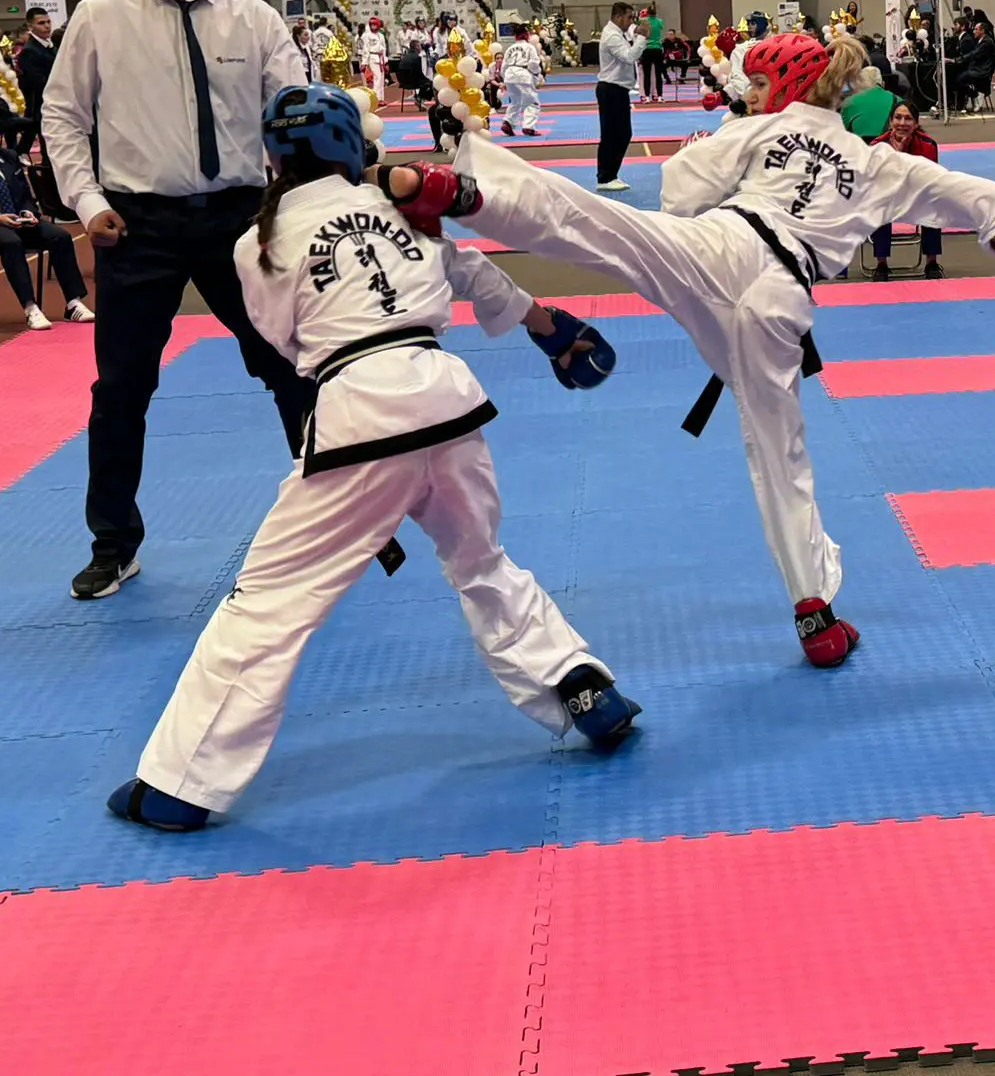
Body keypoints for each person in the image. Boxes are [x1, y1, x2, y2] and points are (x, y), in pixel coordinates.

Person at [105, 85, 640, 834]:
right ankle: (580, 684)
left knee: (268, 600)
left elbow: (284, 344)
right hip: (450, 405)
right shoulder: (400, 204)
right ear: (353, 146)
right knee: (480, 562)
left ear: (274, 160)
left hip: (360, 417)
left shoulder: (257, 243)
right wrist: (549, 328)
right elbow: (472, 272)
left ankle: (180, 783)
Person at [441, 33, 995, 667]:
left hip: (724, 247)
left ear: (791, 85)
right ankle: (814, 610)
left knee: (611, 231)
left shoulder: (764, 129)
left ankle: (470, 190)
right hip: (781, 298)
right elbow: (956, 190)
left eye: (762, 84)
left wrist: (703, 162)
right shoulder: (876, 162)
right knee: (779, 453)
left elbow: (680, 190)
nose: (754, 95)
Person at [42, 0, 394, 603]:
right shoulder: (102, 17)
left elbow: (297, 116)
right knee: (121, 389)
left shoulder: (253, 18)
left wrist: (317, 194)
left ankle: (333, 520)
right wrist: (88, 201)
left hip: (241, 217)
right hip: (135, 223)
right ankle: (113, 544)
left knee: (292, 365)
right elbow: (62, 116)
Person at [0, 105, 91, 329]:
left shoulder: (8, 157)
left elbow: (25, 196)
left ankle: (73, 303)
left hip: (13, 221)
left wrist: (28, 212)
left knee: (60, 236)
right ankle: (31, 308)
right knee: (11, 241)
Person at [869, 102, 945, 281]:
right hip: (887, 197)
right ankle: (881, 264)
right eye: (898, 118)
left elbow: (930, 181)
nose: (902, 123)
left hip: (917, 196)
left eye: (908, 119)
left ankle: (932, 263)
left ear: (916, 124)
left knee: (934, 204)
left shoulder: (928, 145)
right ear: (891, 121)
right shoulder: (877, 146)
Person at [595, 0, 642, 192]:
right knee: (613, 134)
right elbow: (629, 57)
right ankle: (605, 177)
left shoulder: (618, 33)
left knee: (621, 134)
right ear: (618, 17)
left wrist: (637, 32)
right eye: (629, 17)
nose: (631, 21)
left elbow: (631, 38)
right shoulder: (612, 36)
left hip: (617, 89)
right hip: (611, 89)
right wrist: (642, 38)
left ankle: (610, 175)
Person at [14, 7, 58, 157]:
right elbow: (39, 84)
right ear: (30, 26)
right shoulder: (30, 51)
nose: (47, 26)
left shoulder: (50, 46)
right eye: (41, 23)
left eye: (48, 22)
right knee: (50, 154)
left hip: (55, 105)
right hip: (44, 107)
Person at [497, 15, 545, 137]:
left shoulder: (510, 48)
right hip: (523, 74)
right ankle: (528, 126)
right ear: (526, 35)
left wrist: (505, 78)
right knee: (532, 102)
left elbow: (504, 66)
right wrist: (536, 75)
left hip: (509, 75)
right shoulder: (529, 47)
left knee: (515, 101)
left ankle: (508, 122)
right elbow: (534, 63)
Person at [637, 0, 667, 103]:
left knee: (647, 74)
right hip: (658, 49)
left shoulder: (643, 21)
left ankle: (646, 97)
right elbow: (661, 27)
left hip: (647, 49)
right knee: (658, 74)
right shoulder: (660, 21)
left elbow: (637, 21)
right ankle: (660, 96)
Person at [357, 16, 389, 101]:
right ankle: (375, 98)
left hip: (381, 58)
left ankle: (381, 98)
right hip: (372, 57)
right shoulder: (367, 35)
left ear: (378, 25)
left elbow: (384, 49)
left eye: (374, 25)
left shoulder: (381, 35)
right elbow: (366, 49)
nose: (373, 27)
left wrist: (386, 61)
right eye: (371, 25)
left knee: (381, 79)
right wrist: (364, 63)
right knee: (377, 78)